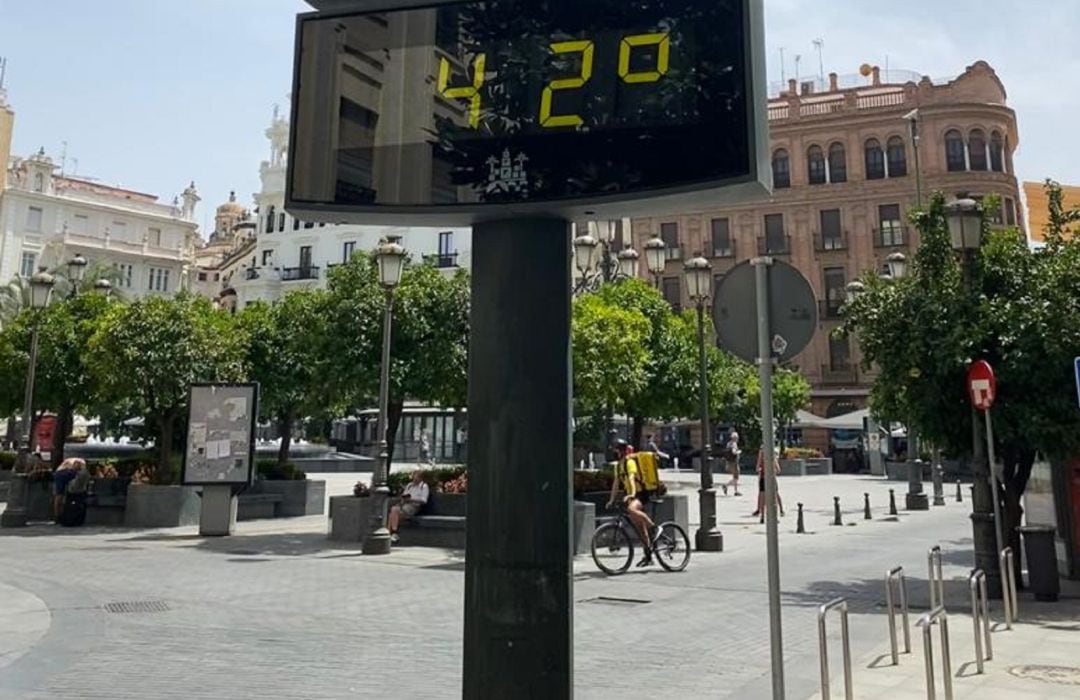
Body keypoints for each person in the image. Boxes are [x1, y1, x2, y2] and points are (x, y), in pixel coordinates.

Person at [606, 439, 657, 568]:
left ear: (621, 451)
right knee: (640, 528)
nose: (614, 452)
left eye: (616, 450)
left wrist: (632, 494)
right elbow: (616, 484)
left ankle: (655, 528)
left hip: (641, 494)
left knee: (632, 510)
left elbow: (631, 478)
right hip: (632, 496)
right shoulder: (619, 466)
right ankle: (648, 557)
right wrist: (611, 500)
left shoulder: (629, 462)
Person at [388, 471, 430, 543]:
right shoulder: (409, 485)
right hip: (405, 505)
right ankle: (392, 533)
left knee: (393, 511)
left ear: (420, 478)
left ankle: (390, 533)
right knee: (392, 512)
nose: (414, 480)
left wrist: (410, 500)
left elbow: (424, 501)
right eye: (413, 478)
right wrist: (403, 500)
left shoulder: (424, 486)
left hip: (414, 506)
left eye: (416, 478)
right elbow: (404, 495)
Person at [752, 449, 784, 519]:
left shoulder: (766, 459)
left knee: (765, 496)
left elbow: (757, 469)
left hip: (765, 478)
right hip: (770, 478)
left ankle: (763, 516)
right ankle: (776, 513)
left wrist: (762, 469)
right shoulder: (772, 459)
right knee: (773, 495)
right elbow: (778, 470)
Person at [721, 431, 742, 496]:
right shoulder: (734, 444)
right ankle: (726, 486)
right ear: (735, 438)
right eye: (737, 437)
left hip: (729, 462)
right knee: (736, 477)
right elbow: (733, 452)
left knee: (734, 476)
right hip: (734, 462)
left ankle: (736, 491)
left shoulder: (728, 443)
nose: (738, 439)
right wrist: (739, 452)